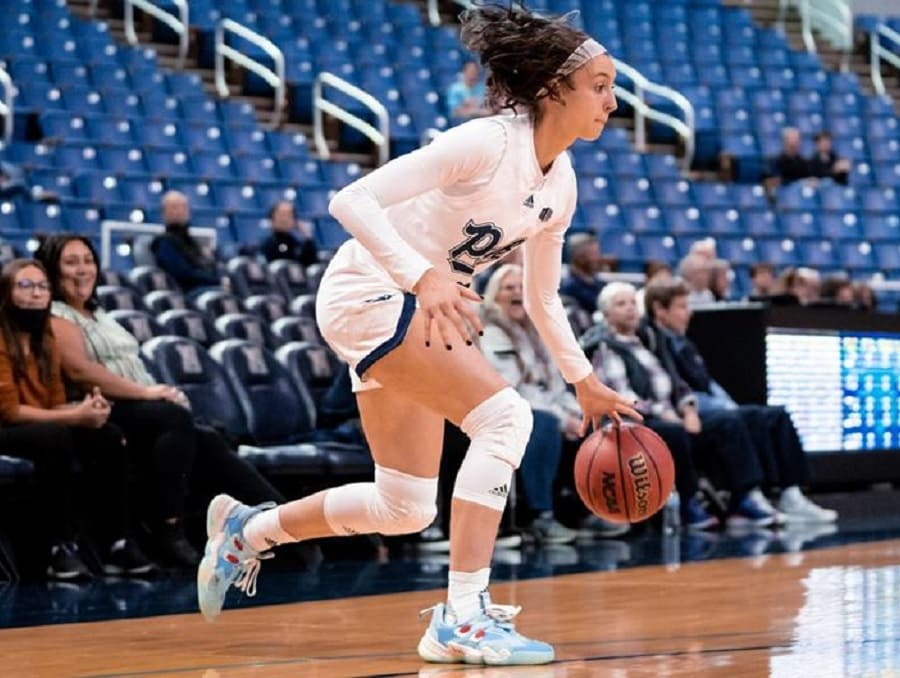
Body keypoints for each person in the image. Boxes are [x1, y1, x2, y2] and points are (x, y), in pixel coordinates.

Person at [197, 6, 638, 665]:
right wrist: (423, 274)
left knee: (403, 505)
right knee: (506, 419)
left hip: (412, 308)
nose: (612, 98)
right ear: (552, 89)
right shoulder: (486, 143)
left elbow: (543, 297)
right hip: (369, 290)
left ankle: (247, 529)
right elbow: (350, 200)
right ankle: (462, 616)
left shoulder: (561, 184)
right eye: (599, 84)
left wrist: (583, 381)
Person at [35, 235, 317, 569]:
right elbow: (81, 372)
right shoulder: (57, 314)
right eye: (71, 262)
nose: (83, 270)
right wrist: (148, 393)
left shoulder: (98, 313)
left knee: (210, 439)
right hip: (100, 408)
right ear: (52, 269)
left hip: (140, 407)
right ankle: (169, 528)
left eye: (88, 260)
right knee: (174, 418)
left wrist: (157, 392)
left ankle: (288, 532)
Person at [0, 259, 155, 578]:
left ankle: (118, 542)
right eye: (25, 286)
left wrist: (88, 412)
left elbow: (54, 403)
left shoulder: (46, 339)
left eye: (42, 286)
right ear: (6, 293)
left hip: (33, 424)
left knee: (107, 434)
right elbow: (9, 412)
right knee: (53, 437)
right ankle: (58, 547)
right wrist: (74, 416)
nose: (35, 293)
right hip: (6, 426)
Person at [586, 282, 780, 528]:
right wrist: (666, 414)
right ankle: (688, 503)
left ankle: (744, 498)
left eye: (632, 303)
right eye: (620, 304)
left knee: (727, 422)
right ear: (606, 314)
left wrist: (688, 409)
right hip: (633, 421)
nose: (629, 309)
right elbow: (623, 398)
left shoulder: (649, 340)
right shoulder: (605, 347)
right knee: (674, 433)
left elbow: (677, 382)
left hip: (671, 413)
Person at [643, 278, 837, 523]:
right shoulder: (653, 341)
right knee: (732, 419)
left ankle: (791, 493)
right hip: (684, 412)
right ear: (660, 309)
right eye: (682, 307)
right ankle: (744, 498)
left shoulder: (685, 341)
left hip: (707, 405)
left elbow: (708, 383)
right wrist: (721, 407)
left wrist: (728, 403)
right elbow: (675, 389)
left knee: (775, 416)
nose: (689, 313)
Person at [479, 264, 580, 544]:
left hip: (542, 407)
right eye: (509, 287)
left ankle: (585, 512)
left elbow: (555, 388)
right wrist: (562, 418)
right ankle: (541, 516)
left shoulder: (536, 333)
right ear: (494, 295)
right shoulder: (491, 332)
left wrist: (577, 414)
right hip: (503, 409)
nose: (516, 293)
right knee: (545, 424)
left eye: (521, 288)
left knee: (594, 427)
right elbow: (511, 389)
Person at [151, 191, 221, 294]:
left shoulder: (191, 241)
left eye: (184, 206)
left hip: (206, 288)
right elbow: (183, 274)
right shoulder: (164, 243)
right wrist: (217, 281)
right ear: (164, 212)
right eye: (175, 207)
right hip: (188, 294)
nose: (181, 211)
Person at [260, 201, 318, 267]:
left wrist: (308, 236)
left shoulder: (295, 243)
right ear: (272, 218)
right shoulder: (268, 243)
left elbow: (310, 263)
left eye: (289, 215)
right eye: (282, 215)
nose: (285, 219)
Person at [559, 233, 605, 315]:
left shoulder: (597, 282)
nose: (598, 258)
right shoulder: (569, 287)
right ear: (579, 257)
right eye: (593, 254)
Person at [446, 60, 492, 125]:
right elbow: (455, 112)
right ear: (464, 73)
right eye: (470, 72)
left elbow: (490, 109)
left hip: (483, 123)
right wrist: (475, 111)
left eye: (475, 73)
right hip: (461, 124)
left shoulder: (483, 88)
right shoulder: (455, 89)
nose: (473, 76)